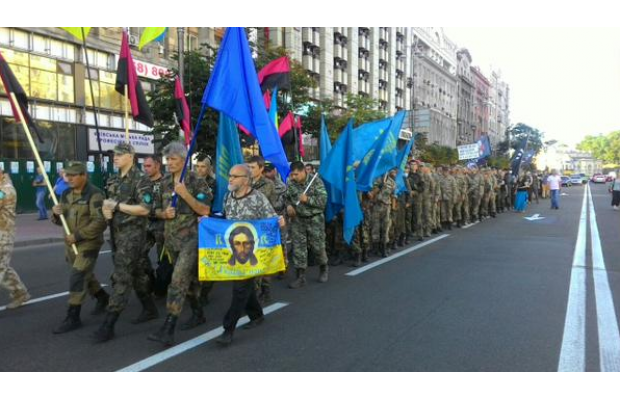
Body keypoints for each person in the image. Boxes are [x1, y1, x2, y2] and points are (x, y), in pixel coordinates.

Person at [148, 142, 212, 346]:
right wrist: (162, 213)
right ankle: (198, 313)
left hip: (191, 240)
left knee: (177, 280)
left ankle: (168, 327)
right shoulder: (164, 181)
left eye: (173, 159)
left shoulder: (196, 181)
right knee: (190, 281)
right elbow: (154, 209)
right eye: (167, 160)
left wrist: (186, 195)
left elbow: (205, 210)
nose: (169, 163)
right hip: (171, 240)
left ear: (184, 161)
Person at [216, 164, 285, 346]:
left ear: (246, 180)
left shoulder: (257, 197)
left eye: (235, 176)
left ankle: (228, 329)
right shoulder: (228, 197)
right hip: (234, 251)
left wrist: (279, 221)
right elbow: (225, 220)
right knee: (244, 288)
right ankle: (256, 315)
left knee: (240, 289)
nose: (230, 179)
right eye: (230, 175)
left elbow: (271, 218)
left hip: (252, 252)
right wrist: (208, 222)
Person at [93, 143, 156, 343]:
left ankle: (109, 324)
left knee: (121, 276)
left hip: (134, 234)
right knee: (136, 272)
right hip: (116, 233)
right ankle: (149, 308)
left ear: (131, 156)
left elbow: (145, 209)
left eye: (120, 154)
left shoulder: (141, 179)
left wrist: (117, 206)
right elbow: (109, 205)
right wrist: (106, 210)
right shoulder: (112, 179)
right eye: (114, 155)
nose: (115, 157)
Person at [50, 161, 109, 334]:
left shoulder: (95, 194)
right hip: (70, 244)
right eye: (67, 175)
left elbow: (100, 222)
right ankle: (102, 297)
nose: (68, 178)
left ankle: (73, 316)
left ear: (84, 175)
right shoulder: (66, 194)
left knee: (78, 276)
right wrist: (55, 213)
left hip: (88, 243)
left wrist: (77, 236)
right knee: (86, 275)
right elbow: (59, 221)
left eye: (73, 175)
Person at [286, 161, 329, 288]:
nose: (293, 177)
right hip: (298, 219)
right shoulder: (291, 182)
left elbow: (322, 202)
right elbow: (287, 197)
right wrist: (289, 206)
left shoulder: (316, 181)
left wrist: (308, 199)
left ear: (304, 171)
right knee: (299, 248)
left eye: (296, 174)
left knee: (318, 246)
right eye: (292, 174)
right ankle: (300, 277)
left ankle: (323, 268)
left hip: (314, 219)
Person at [0, 165, 31, 309]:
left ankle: (20, 294)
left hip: (3, 235)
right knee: (3, 268)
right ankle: (20, 293)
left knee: (1, 268)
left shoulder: (6, 190)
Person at [140, 155, 170, 298]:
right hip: (145, 224)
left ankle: (162, 285)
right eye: (144, 166)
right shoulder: (141, 182)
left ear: (157, 166)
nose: (146, 169)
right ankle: (151, 280)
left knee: (163, 259)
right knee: (139, 254)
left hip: (162, 225)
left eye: (149, 166)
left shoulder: (167, 182)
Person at [247, 156, 276, 302]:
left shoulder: (268, 184)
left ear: (261, 168)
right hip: (248, 228)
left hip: (263, 227)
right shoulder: (245, 183)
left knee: (262, 261)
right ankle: (255, 294)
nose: (249, 170)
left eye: (252, 167)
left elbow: (263, 203)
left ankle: (264, 291)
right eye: (248, 167)